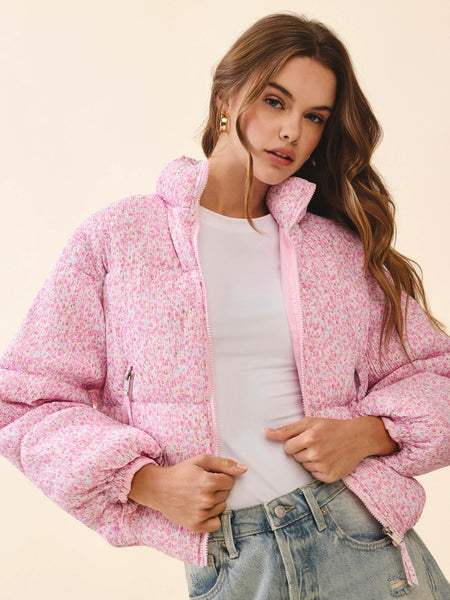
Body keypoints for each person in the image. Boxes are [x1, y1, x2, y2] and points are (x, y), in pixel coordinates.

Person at [0, 11, 449, 600]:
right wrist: (144, 481)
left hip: (359, 542)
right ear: (224, 99)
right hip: (231, 563)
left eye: (314, 117)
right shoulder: (119, 239)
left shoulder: (338, 253)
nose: (291, 131)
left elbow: (439, 376)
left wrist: (370, 433)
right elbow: (24, 402)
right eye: (274, 101)